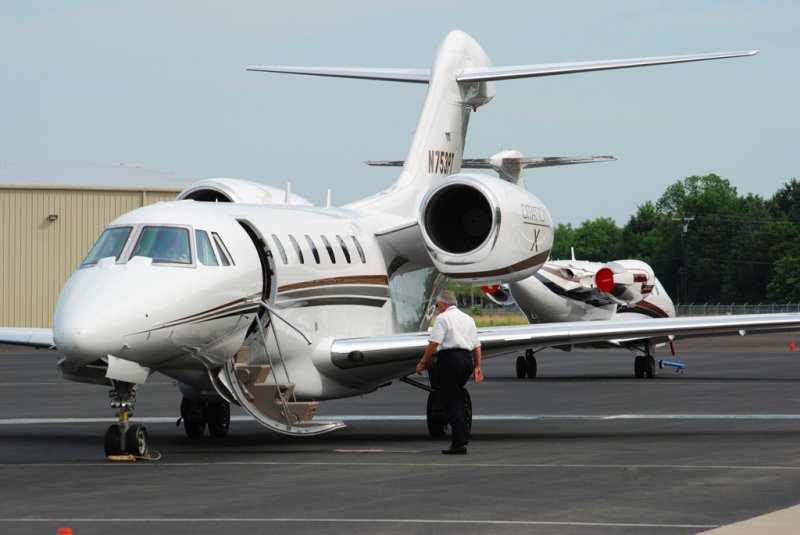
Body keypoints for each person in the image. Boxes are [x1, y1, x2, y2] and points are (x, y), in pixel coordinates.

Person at [415, 290, 483, 454]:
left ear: (444, 304)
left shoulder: (443, 318)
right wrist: (477, 367)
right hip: (466, 360)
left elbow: (433, 343)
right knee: (457, 398)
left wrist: (423, 362)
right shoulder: (468, 319)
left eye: (438, 305)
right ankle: (462, 436)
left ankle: (459, 443)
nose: (438, 308)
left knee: (450, 402)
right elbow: (477, 345)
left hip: (450, 360)